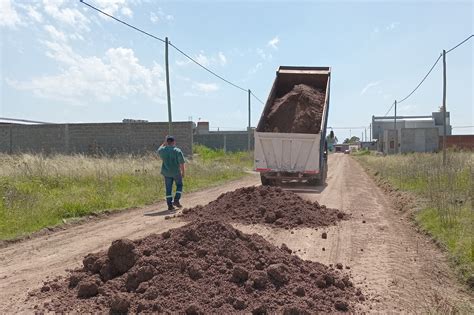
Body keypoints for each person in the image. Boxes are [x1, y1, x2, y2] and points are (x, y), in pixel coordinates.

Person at [157, 136, 185, 211]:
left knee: (168, 189)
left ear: (167, 142)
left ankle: (169, 205)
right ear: (174, 142)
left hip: (166, 173)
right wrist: (183, 172)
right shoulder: (177, 151)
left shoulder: (162, 150)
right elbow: (181, 163)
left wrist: (164, 143)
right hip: (176, 172)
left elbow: (158, 150)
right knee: (179, 185)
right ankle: (176, 200)